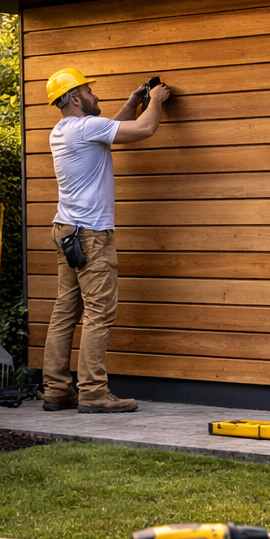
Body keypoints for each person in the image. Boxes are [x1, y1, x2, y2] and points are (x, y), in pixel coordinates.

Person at [40, 68, 171, 412]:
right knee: (99, 312)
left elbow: (112, 130)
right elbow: (144, 129)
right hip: (91, 236)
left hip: (66, 231)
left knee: (65, 312)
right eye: (88, 90)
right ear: (74, 98)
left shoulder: (63, 130)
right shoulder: (86, 128)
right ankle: (94, 392)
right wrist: (155, 101)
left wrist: (133, 102)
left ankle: (56, 389)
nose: (95, 96)